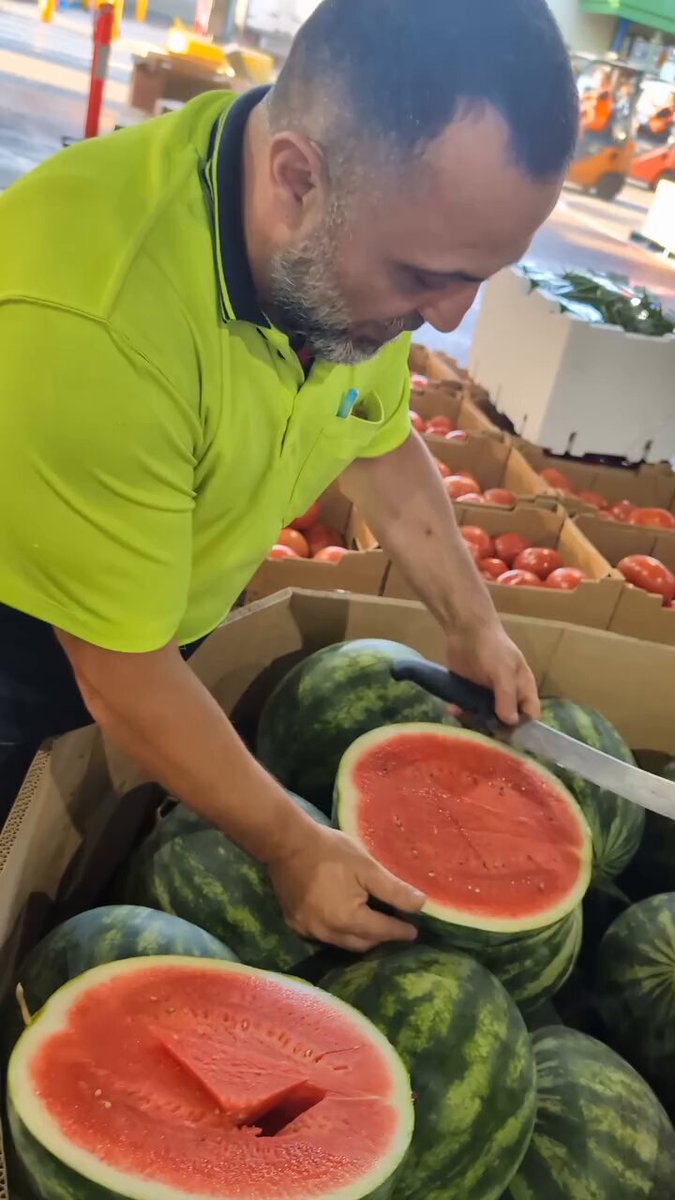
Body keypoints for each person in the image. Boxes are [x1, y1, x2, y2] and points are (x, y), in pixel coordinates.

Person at [0, 0, 578, 952]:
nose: (446, 318)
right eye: (425, 275)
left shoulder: (336, 260)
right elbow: (117, 668)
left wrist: (472, 623)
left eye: (483, 276)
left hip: (136, 632)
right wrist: (285, 844)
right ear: (297, 176)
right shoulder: (95, 324)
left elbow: (379, 442)